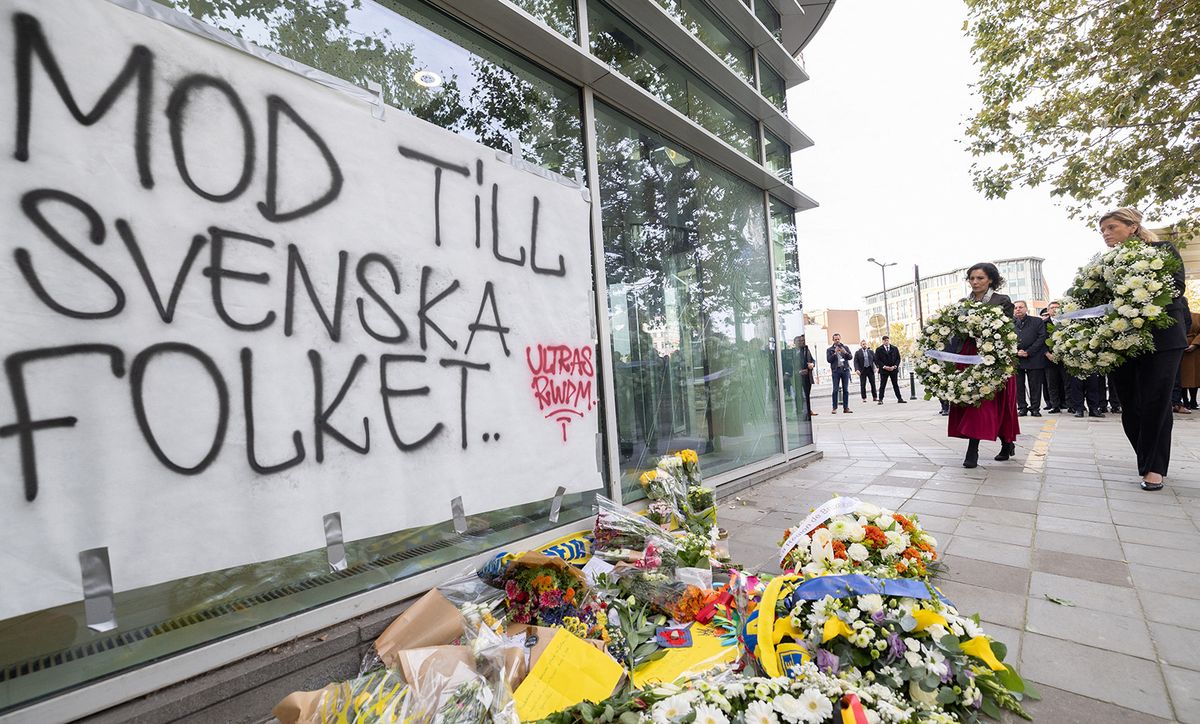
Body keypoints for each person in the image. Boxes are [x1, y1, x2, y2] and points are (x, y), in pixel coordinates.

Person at [1100, 208, 1188, 491]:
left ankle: (1153, 467)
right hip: (1122, 340)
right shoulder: (1104, 264)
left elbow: (1176, 287)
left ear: (1133, 227)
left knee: (1156, 402)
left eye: (1112, 227)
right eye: (1102, 230)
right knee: (1131, 405)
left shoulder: (1163, 250)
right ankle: (1148, 455)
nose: (1106, 233)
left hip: (1162, 338)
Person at [947, 262, 1019, 468]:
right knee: (972, 399)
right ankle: (983, 445)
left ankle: (1001, 443)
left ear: (991, 280)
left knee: (994, 401)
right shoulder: (962, 302)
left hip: (995, 357)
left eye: (980, 278)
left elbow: (1007, 328)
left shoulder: (1002, 301)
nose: (975, 282)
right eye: (972, 278)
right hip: (968, 356)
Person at [1013, 301, 1048, 417]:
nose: (1018, 309)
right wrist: (1016, 351)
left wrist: (1028, 352)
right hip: (1016, 358)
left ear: (1026, 308)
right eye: (1016, 308)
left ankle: (1035, 408)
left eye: (1021, 307)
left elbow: (1041, 337)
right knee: (1018, 386)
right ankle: (1022, 408)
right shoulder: (1009, 323)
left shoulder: (1037, 321)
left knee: (1035, 385)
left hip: (1034, 357)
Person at [1040, 302, 1065, 413]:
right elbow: (1041, 340)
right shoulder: (1043, 324)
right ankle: (1055, 405)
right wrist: (1047, 353)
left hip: (1064, 357)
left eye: (1057, 308)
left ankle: (1069, 404)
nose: (1055, 310)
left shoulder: (1066, 323)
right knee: (1052, 383)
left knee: (1067, 382)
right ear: (1048, 310)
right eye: (1052, 308)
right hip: (1049, 358)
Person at [874, 336, 907, 404]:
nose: (886, 342)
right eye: (885, 340)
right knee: (882, 385)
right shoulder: (879, 349)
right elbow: (877, 360)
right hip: (884, 370)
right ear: (882, 341)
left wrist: (895, 366)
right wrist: (884, 366)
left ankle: (899, 398)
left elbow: (898, 358)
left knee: (895, 384)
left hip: (893, 370)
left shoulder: (894, 348)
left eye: (887, 340)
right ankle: (880, 399)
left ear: (889, 340)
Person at [826, 333, 853, 414]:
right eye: (835, 339)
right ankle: (834, 408)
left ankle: (846, 408)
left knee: (846, 390)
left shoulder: (845, 347)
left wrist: (845, 352)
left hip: (845, 370)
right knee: (835, 390)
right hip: (836, 371)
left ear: (840, 338)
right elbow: (829, 360)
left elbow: (850, 357)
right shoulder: (829, 349)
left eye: (838, 339)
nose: (837, 341)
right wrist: (834, 353)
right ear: (833, 340)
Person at [793, 335, 817, 418]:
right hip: (797, 377)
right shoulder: (792, 352)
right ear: (795, 343)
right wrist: (799, 371)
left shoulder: (806, 350)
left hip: (807, 377)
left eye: (803, 341)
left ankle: (808, 410)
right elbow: (790, 365)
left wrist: (812, 364)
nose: (802, 342)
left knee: (807, 394)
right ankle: (799, 411)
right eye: (799, 341)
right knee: (798, 394)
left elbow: (812, 360)